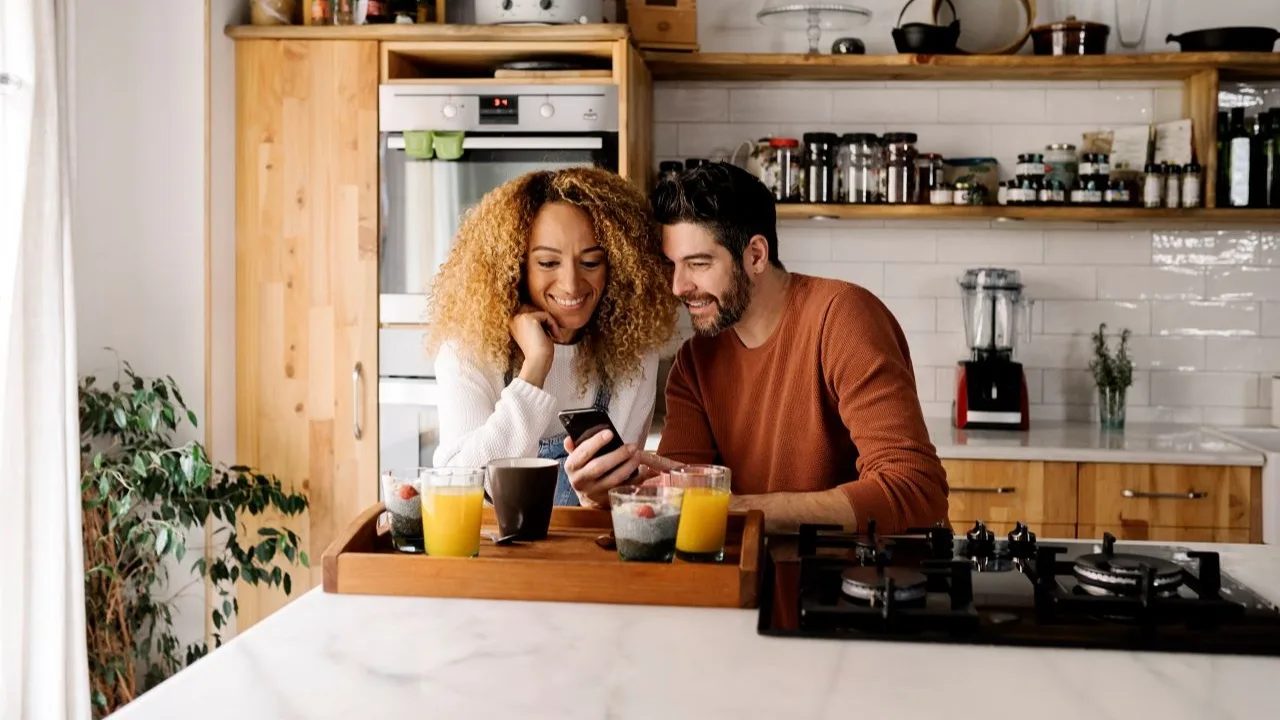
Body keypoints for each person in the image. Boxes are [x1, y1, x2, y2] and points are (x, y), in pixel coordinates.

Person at [564, 162, 949, 534]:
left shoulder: (842, 318)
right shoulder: (695, 363)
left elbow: (914, 491)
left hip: (856, 591)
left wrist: (729, 508)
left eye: (698, 263)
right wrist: (603, 498)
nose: (678, 286)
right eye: (672, 266)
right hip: (748, 589)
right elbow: (679, 512)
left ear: (756, 255)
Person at [427, 167, 679, 507]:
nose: (572, 285)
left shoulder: (634, 353)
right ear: (515, 266)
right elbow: (456, 488)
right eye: (548, 262)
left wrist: (602, 494)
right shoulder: (467, 350)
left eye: (591, 262)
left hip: (586, 552)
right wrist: (536, 367)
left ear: (617, 266)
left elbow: (618, 498)